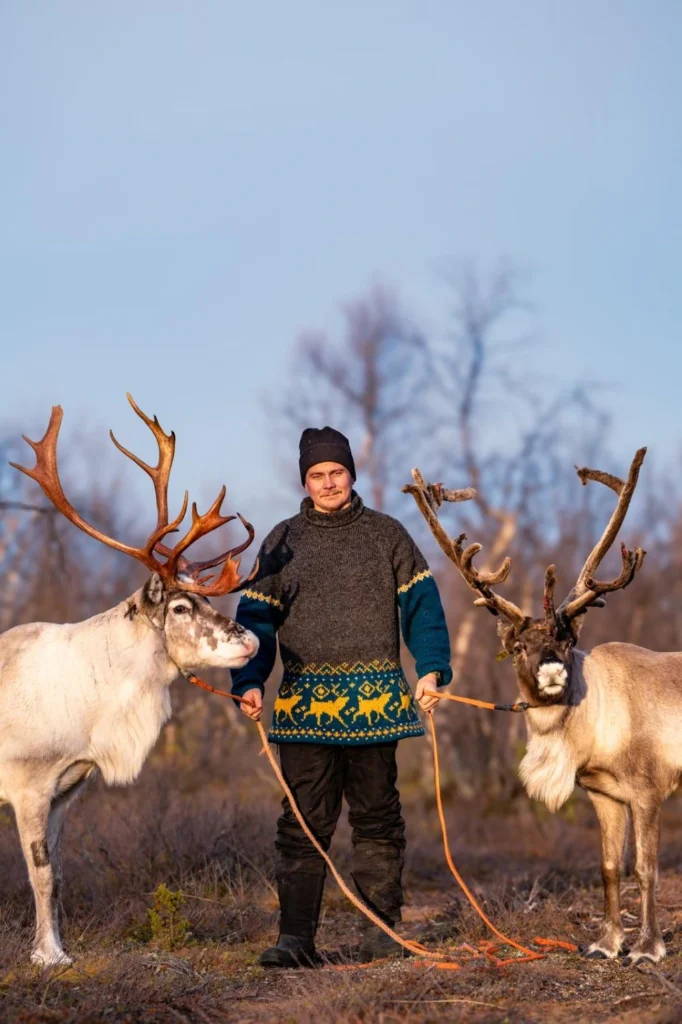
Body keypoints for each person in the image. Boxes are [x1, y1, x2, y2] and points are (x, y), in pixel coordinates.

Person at [230, 426, 452, 967]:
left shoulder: (387, 535)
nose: (328, 483)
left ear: (351, 474)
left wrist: (431, 670)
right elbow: (255, 620)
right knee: (302, 823)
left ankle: (382, 936)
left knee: (378, 819)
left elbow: (423, 607)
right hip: (305, 707)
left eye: (336, 472)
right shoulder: (283, 542)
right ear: (304, 480)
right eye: (317, 475)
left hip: (377, 707)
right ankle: (295, 941)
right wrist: (250, 680)